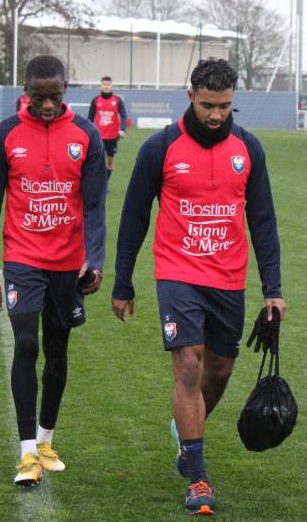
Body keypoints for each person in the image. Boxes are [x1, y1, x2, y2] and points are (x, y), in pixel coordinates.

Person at [111, 58, 285, 516]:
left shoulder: (249, 149)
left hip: (228, 278)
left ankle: (186, 434)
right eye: (208, 105)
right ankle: (198, 476)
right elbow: (134, 216)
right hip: (178, 273)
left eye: (225, 106)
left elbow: (263, 220)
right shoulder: (160, 147)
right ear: (190, 96)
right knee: (189, 365)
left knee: (220, 370)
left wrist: (273, 289)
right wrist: (123, 280)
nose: (215, 115)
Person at [0, 55, 107, 487]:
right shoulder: (4, 135)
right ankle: (26, 452)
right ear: (26, 92)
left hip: (67, 264)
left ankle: (47, 440)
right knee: (27, 344)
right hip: (22, 258)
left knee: (57, 352)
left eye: (55, 96)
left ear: (65, 89)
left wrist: (96, 259)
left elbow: (94, 205)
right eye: (39, 97)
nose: (47, 105)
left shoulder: (86, 136)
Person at [87, 76, 127, 181]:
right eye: (104, 84)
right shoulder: (95, 100)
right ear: (101, 86)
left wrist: (122, 129)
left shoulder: (117, 100)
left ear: (111, 86)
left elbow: (123, 115)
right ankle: (97, 181)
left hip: (112, 136)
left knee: (109, 161)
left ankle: (105, 182)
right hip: (98, 136)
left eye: (108, 84)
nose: (106, 86)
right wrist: (88, 132)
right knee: (97, 160)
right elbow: (90, 117)